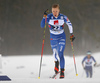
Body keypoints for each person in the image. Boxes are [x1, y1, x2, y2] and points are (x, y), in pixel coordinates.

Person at [40, 4, 75, 79]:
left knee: (61, 54)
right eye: (53, 11)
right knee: (55, 54)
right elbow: (42, 25)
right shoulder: (49, 17)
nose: (55, 13)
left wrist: (71, 34)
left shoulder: (63, 17)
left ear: (59, 10)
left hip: (61, 37)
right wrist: (44, 17)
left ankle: (62, 72)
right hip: (53, 37)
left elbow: (70, 24)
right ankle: (56, 63)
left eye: (56, 11)